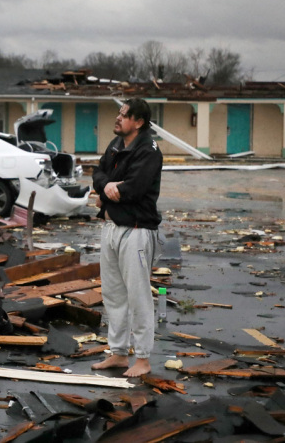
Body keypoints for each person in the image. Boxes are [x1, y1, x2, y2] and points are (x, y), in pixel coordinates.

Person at [90, 98, 162, 377]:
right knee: (113, 294)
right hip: (110, 229)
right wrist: (106, 185)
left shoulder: (149, 151)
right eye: (118, 113)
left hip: (136, 230)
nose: (118, 118)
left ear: (139, 122)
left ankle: (142, 359)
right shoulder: (115, 145)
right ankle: (118, 353)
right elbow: (98, 173)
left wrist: (108, 194)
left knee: (138, 295)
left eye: (124, 115)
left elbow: (133, 189)